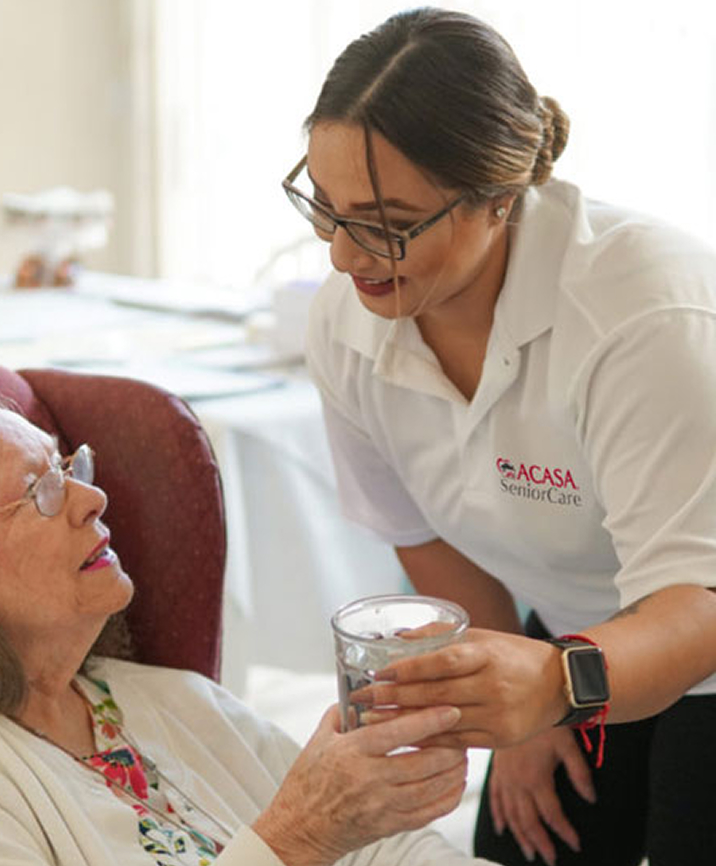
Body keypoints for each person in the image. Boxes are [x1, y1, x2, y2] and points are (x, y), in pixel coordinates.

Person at [287, 7, 716, 866]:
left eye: (384, 221)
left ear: (496, 198)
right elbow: (421, 528)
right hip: (574, 630)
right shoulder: (349, 320)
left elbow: (697, 602)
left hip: (693, 621)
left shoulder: (643, 316)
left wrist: (555, 688)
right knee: (524, 842)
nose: (343, 256)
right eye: (325, 210)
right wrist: (514, 704)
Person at [0, 383, 495, 866]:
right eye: (40, 490)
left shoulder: (163, 700)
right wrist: (298, 837)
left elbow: (378, 846)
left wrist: (355, 814)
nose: (94, 498)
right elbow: (317, 836)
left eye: (71, 467)